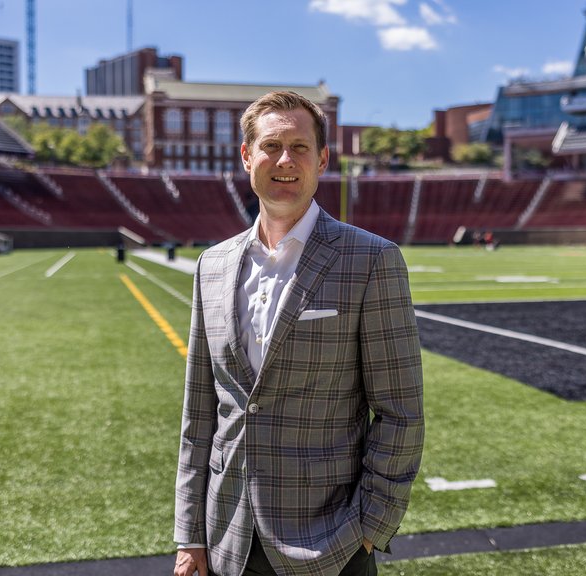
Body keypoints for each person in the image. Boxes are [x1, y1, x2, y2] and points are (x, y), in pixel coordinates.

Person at [173, 92, 424, 576]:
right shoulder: (212, 265)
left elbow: (401, 412)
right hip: (227, 541)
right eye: (270, 146)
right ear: (247, 156)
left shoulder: (371, 261)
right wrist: (190, 536)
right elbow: (199, 412)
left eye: (300, 147)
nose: (285, 160)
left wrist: (370, 528)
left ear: (323, 159)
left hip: (331, 544)